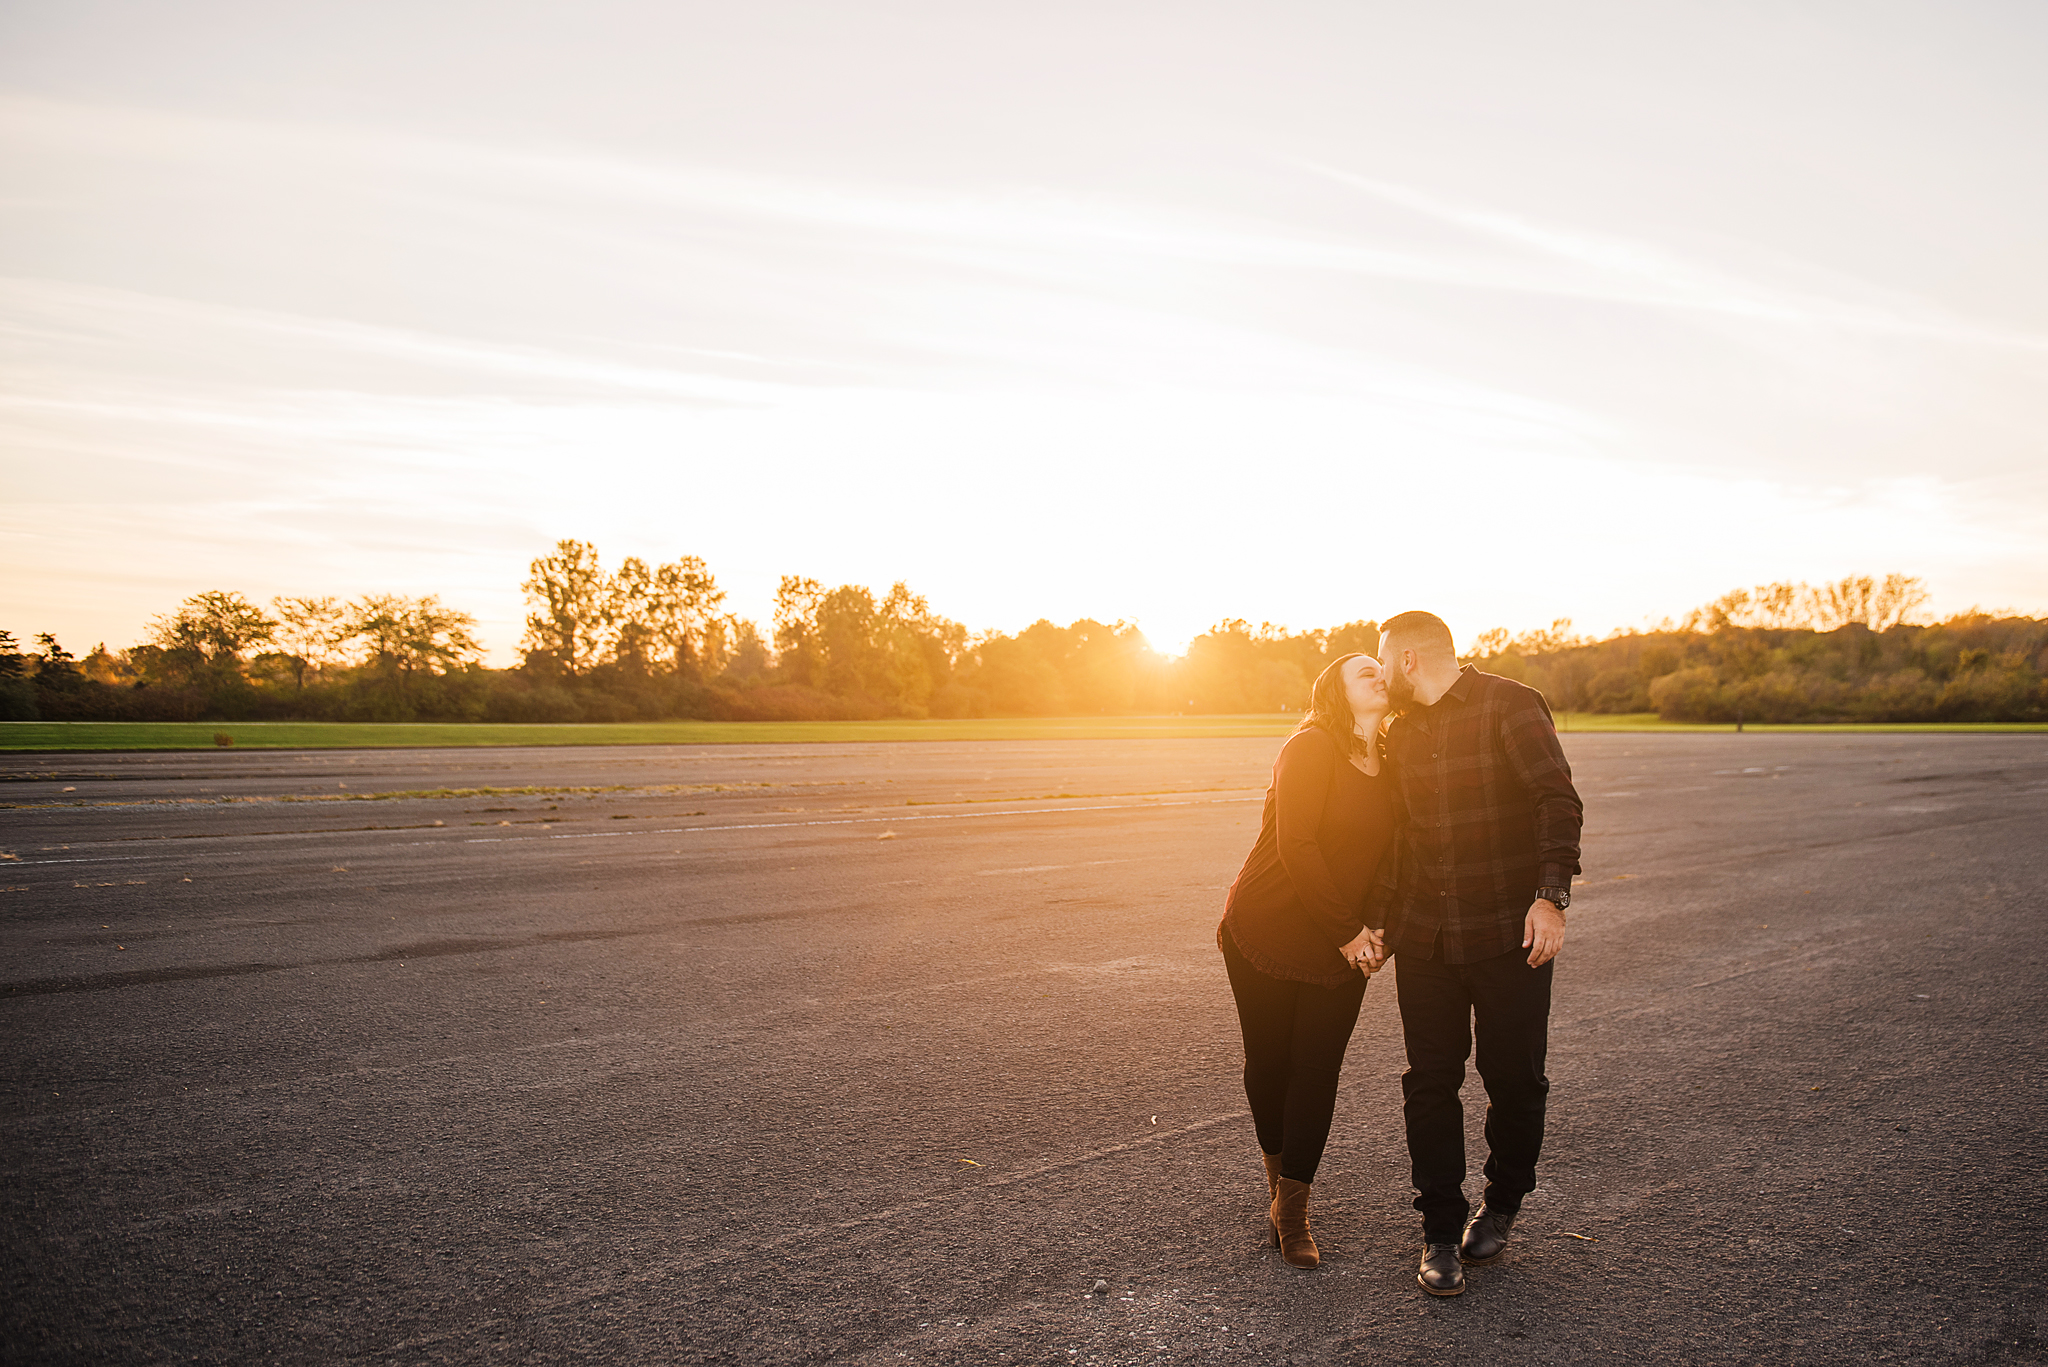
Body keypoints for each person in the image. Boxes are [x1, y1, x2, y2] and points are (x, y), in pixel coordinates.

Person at [1362, 610, 1583, 1297]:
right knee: (1429, 1082)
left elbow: (1557, 799)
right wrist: (1380, 924)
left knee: (1513, 1078)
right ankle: (1438, 1231)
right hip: (1426, 936)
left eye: (1380, 661)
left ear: (1405, 661)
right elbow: (1397, 839)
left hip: (1504, 933)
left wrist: (1550, 896)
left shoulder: (1508, 704)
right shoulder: (1400, 734)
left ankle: (1505, 1201)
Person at [1219, 652, 1399, 1270]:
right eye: (1363, 672)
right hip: (1266, 926)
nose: (1378, 676)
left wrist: (1377, 929)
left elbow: (1394, 857)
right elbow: (1296, 843)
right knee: (1269, 1063)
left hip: (1342, 940)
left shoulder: (1395, 760)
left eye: (1382, 670)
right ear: (1336, 692)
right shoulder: (1311, 746)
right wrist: (1350, 931)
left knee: (1317, 1069)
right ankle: (1278, 1189)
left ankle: (1292, 1214)